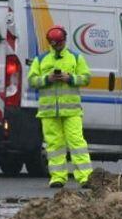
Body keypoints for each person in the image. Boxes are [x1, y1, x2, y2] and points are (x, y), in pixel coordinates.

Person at [27, 25, 93, 188]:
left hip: (71, 111)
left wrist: (70, 78)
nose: (58, 46)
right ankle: (58, 177)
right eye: (55, 43)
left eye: (60, 43)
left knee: (77, 143)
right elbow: (32, 80)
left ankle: (85, 177)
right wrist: (47, 79)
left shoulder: (75, 58)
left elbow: (86, 78)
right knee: (54, 145)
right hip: (49, 111)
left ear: (64, 41)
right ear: (51, 43)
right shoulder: (41, 60)